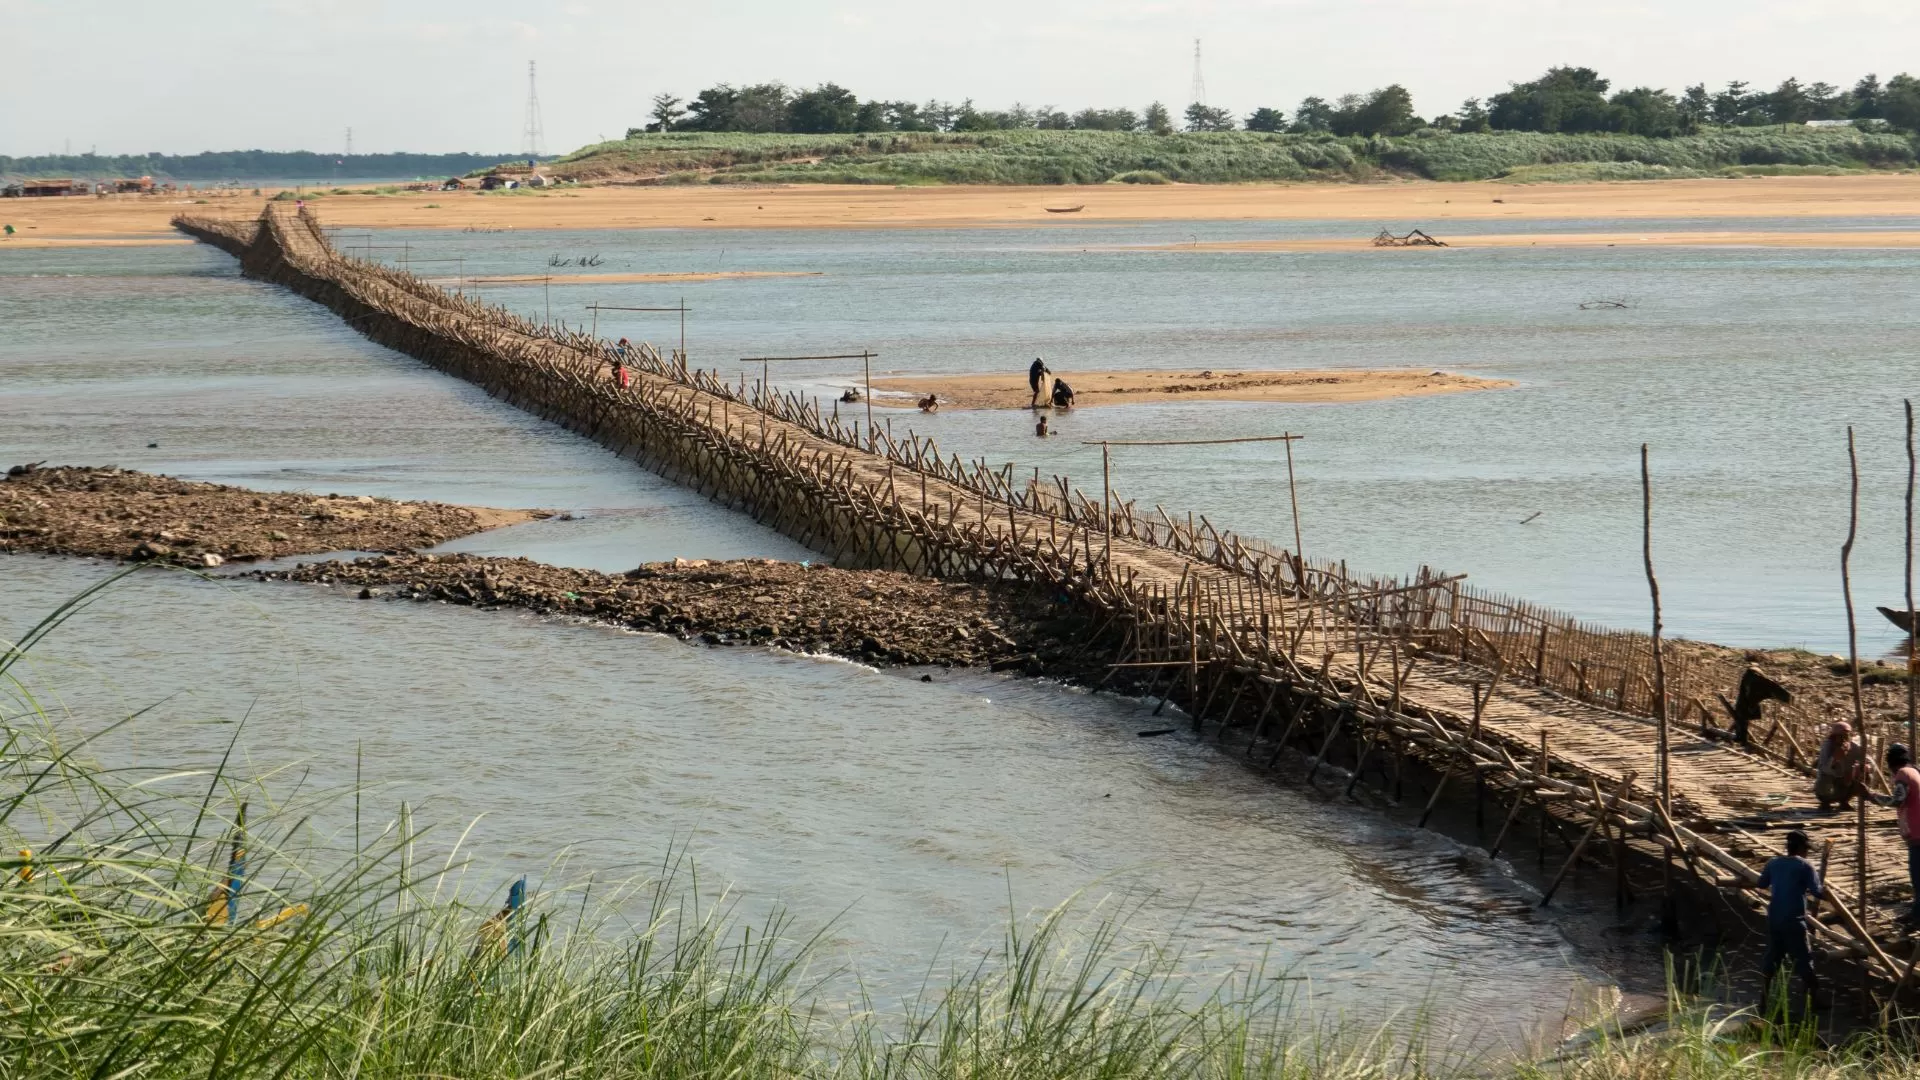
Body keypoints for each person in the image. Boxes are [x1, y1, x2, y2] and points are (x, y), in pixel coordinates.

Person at [1752, 829, 1823, 1001]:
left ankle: (1764, 997)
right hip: (1794, 919)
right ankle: (1814, 1000)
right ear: (1799, 848)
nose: (1806, 852)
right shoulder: (1805, 866)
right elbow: (1817, 892)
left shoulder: (1774, 863)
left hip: (1775, 918)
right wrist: (1824, 890)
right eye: (1805, 848)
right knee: (1804, 959)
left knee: (1774, 955)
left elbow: (1761, 883)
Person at [1875, 743, 1920, 922]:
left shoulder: (1903, 774)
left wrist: (1870, 796)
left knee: (1918, 877)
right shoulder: (1915, 771)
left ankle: (1917, 916)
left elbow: (1896, 800)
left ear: (1891, 764)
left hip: (1918, 834)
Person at [1814, 721, 1865, 811]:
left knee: (1863, 777)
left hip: (1846, 781)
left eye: (1845, 736)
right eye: (1839, 736)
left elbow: (1866, 762)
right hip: (1830, 781)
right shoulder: (1828, 746)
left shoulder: (1854, 747)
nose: (1842, 739)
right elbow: (1823, 768)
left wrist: (1856, 770)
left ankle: (1844, 801)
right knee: (1824, 780)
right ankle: (1825, 801)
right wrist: (1834, 759)